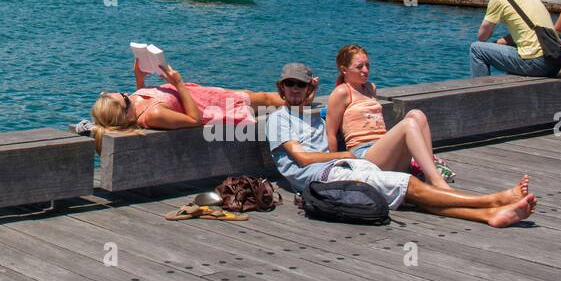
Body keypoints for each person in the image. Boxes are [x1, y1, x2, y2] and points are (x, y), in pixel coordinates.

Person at [268, 63, 536, 227]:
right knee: (409, 186)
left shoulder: (311, 112)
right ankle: (494, 199)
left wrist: (313, 93)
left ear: (308, 89)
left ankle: (489, 216)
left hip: (343, 168)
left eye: (300, 85)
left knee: (409, 198)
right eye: (289, 84)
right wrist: (346, 153)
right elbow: (301, 158)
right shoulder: (278, 119)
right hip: (325, 176)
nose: (295, 89)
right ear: (281, 87)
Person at [91, 56, 285, 151]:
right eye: (124, 98)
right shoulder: (155, 115)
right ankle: (301, 100)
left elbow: (141, 100)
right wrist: (177, 82)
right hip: (210, 104)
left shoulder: (136, 107)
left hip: (202, 95)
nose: (127, 94)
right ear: (125, 115)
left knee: (257, 96)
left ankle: (298, 97)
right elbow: (194, 119)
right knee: (263, 99)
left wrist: (139, 78)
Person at [326, 44, 452, 189]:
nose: (365, 70)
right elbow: (331, 133)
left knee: (417, 114)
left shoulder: (370, 88)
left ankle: (430, 175)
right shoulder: (342, 92)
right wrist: (333, 167)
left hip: (384, 150)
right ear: (344, 69)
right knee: (408, 124)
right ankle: (438, 183)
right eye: (359, 67)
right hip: (364, 155)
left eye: (367, 65)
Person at [469, 0, 561, 77]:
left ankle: (480, 93)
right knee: (510, 47)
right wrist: (501, 42)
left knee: (476, 49)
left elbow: (482, 36)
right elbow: (529, 32)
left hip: (536, 63)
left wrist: (495, 41)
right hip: (553, 61)